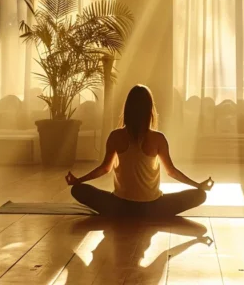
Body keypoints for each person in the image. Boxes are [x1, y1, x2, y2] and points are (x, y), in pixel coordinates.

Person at [65, 84, 214, 217]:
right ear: (149, 110)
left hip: (119, 207)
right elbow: (171, 171)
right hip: (153, 208)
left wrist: (79, 181)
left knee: (78, 190)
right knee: (200, 195)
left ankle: (122, 214)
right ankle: (143, 214)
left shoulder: (116, 136)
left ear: (128, 109)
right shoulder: (158, 138)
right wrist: (198, 186)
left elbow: (105, 168)